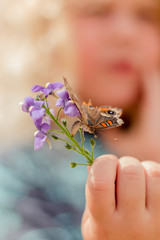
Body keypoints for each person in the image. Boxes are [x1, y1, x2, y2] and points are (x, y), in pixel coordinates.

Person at [1, 0, 160, 239]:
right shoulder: (18, 174)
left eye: (147, 15)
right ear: (43, 30)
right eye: (96, 11)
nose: (125, 33)